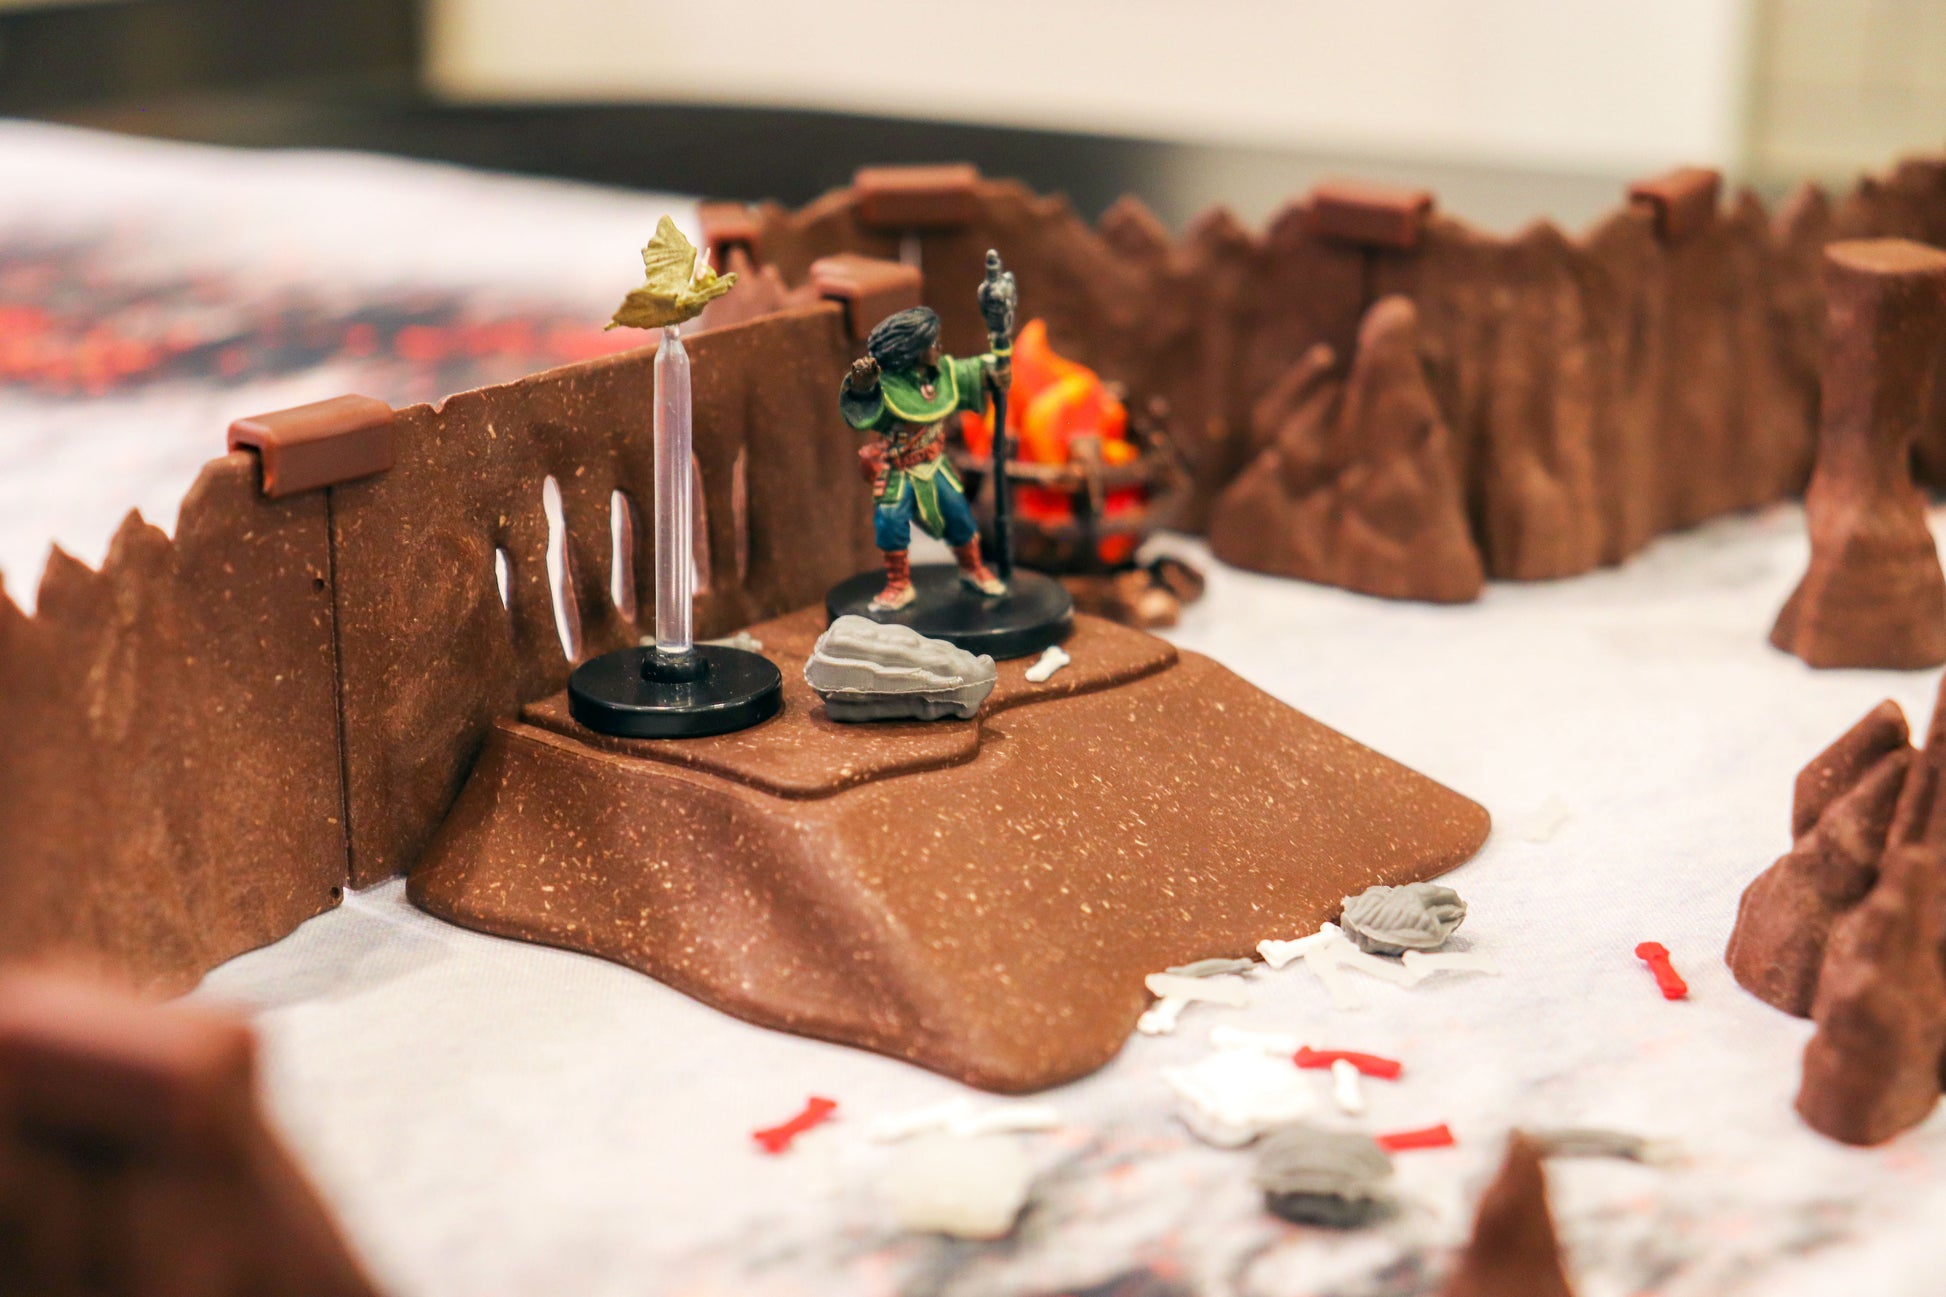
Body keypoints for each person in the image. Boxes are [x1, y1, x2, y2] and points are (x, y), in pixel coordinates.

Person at [840, 306, 1008, 611]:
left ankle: (972, 569)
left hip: (935, 462)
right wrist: (863, 387)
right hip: (899, 466)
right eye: (932, 343)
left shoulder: (942, 371)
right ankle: (898, 585)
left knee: (959, 513)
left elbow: (970, 370)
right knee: (890, 520)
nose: (939, 348)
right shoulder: (887, 383)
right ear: (912, 350)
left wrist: (994, 370)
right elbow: (861, 408)